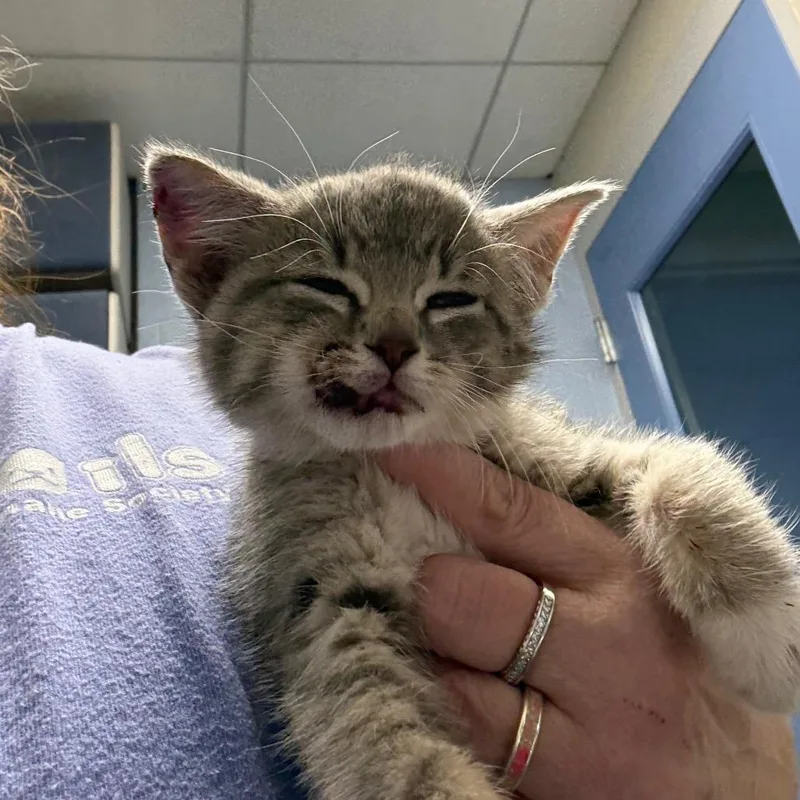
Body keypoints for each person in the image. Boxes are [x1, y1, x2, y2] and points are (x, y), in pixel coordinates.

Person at [0, 95, 796, 800]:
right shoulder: (293, 505)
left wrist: (717, 557)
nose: (393, 340)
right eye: (326, 287)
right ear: (209, 273)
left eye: (448, 300)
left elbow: (652, 471)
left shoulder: (513, 445)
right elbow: (351, 700)